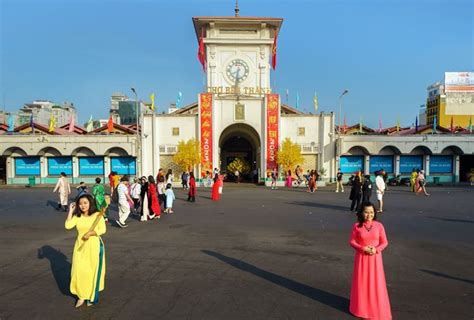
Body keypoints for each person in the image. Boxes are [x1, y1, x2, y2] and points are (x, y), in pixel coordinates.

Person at [349, 202, 392, 319]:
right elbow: (352, 241)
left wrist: (376, 249)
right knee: (361, 282)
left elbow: (385, 242)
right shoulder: (357, 226)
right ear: (361, 213)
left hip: (375, 259)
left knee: (376, 282)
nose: (369, 215)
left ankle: (376, 307)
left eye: (372, 212)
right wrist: (362, 248)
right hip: (361, 258)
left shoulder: (379, 226)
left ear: (375, 213)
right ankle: (360, 308)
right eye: (366, 212)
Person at [65, 194, 106, 308]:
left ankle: (91, 295)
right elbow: (68, 226)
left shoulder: (98, 215)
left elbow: (102, 230)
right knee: (79, 271)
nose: (82, 206)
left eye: (85, 203)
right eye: (80, 203)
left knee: (91, 272)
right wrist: (70, 211)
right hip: (80, 247)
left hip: (94, 247)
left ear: (90, 203)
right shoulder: (78, 216)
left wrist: (91, 233)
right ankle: (81, 296)